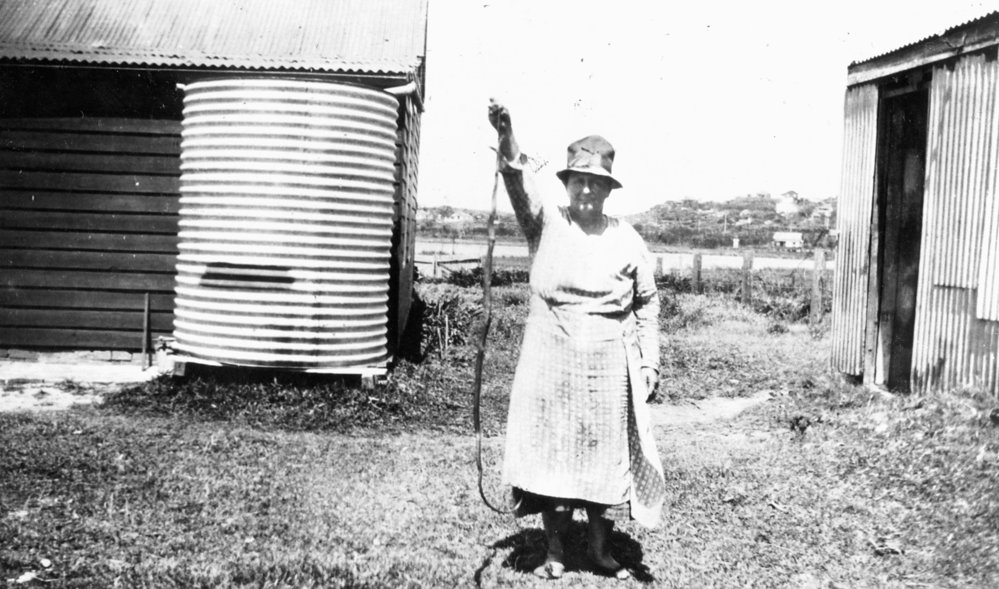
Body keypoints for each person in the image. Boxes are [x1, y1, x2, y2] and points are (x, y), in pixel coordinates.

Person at [487, 100, 666, 581]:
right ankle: (555, 550)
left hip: (608, 368)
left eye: (597, 182)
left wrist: (649, 363)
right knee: (551, 460)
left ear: (609, 190)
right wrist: (507, 135)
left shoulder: (627, 239)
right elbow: (517, 182)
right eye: (579, 180)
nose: (587, 188)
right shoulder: (546, 224)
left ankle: (601, 549)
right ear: (566, 184)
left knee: (606, 462)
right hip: (550, 364)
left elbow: (648, 303)